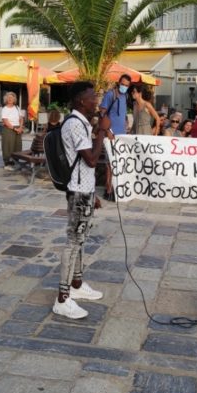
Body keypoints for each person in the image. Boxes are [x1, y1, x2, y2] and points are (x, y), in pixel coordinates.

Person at [53, 81, 112, 319]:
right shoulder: (76, 124)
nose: (96, 101)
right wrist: (101, 131)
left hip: (83, 190)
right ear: (80, 101)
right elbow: (90, 159)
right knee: (73, 241)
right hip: (77, 191)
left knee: (80, 240)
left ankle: (76, 285)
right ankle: (62, 298)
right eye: (92, 97)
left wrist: (92, 193)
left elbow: (84, 165)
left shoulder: (81, 122)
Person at [99, 74, 131, 201]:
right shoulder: (110, 95)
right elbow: (102, 112)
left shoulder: (125, 96)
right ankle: (108, 190)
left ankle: (115, 187)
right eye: (123, 84)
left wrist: (126, 123)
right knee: (109, 164)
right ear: (118, 82)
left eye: (127, 85)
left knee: (118, 163)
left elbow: (122, 114)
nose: (124, 87)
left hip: (121, 135)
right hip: (110, 134)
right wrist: (107, 131)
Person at [1, 91, 24, 171]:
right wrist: (15, 129)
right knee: (8, 146)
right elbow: (5, 121)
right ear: (6, 99)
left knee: (17, 146)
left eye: (12, 97)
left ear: (14, 99)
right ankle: (7, 164)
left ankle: (15, 162)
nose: (10, 99)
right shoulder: (5, 109)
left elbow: (21, 118)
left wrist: (20, 128)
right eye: (9, 97)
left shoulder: (17, 107)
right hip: (9, 129)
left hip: (18, 129)